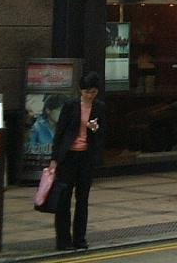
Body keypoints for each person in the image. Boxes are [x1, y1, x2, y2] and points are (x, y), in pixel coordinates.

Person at [49, 72, 106, 251]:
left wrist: (95, 128)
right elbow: (60, 132)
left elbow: (102, 132)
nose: (90, 95)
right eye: (87, 92)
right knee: (63, 200)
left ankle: (80, 239)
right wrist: (54, 159)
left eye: (94, 92)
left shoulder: (99, 107)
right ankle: (63, 241)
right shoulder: (70, 106)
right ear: (81, 90)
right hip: (68, 157)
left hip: (86, 157)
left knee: (83, 199)